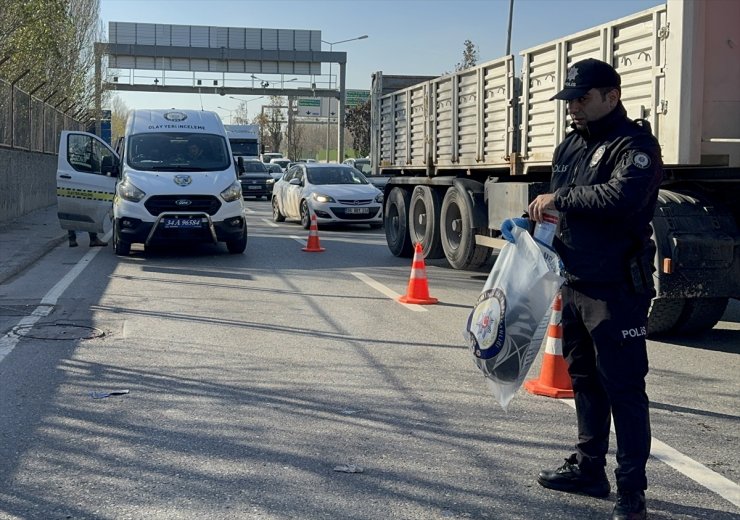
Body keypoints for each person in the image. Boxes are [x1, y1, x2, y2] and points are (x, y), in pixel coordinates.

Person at [502, 58, 662, 520]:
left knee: (625, 389)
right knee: (586, 382)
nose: (572, 107)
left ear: (611, 96)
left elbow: (622, 198)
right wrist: (532, 227)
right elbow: (558, 210)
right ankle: (589, 469)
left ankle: (632, 491)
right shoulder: (570, 146)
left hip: (615, 290)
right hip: (571, 283)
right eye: (569, 99)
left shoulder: (634, 145)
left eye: (582, 98)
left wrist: (559, 199)